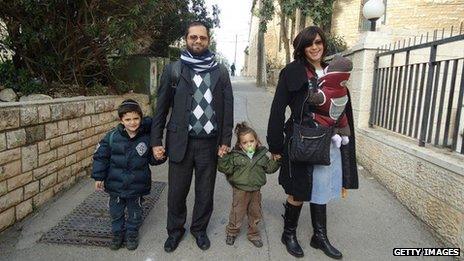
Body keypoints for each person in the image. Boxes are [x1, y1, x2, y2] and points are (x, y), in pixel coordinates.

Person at [267, 26, 359, 259]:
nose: (315, 47)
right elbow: (278, 109)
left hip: (330, 142)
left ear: (323, 44)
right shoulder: (292, 71)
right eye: (309, 44)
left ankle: (319, 237)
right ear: (302, 48)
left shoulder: (333, 71)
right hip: (301, 141)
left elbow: (342, 106)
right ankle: (288, 234)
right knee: (298, 190)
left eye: (318, 42)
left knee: (322, 188)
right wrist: (275, 145)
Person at [151, 21, 234, 252]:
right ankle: (175, 231)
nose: (198, 41)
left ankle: (199, 230)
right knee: (177, 192)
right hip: (180, 142)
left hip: (209, 144)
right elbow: (161, 109)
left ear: (209, 40)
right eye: (193, 37)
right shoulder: (174, 70)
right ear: (186, 39)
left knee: (205, 193)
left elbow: (228, 108)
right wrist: (156, 141)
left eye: (202, 38)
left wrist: (226, 141)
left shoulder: (220, 71)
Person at [92, 99, 164, 251]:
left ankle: (132, 233)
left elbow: (151, 159)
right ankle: (117, 234)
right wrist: (99, 177)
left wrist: (159, 156)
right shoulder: (111, 137)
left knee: (135, 213)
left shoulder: (146, 138)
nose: (132, 123)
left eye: (136, 118)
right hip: (115, 185)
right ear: (121, 120)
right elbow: (101, 157)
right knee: (116, 212)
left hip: (136, 186)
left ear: (141, 119)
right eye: (128, 119)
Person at [217, 122, 280, 248]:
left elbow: (269, 168)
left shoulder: (262, 155)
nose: (249, 144)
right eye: (245, 143)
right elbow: (225, 169)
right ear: (240, 145)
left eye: (251, 141)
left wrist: (276, 161)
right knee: (237, 212)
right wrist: (223, 158)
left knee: (255, 213)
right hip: (240, 190)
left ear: (257, 141)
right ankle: (232, 231)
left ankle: (253, 234)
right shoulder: (235, 156)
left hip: (256, 190)